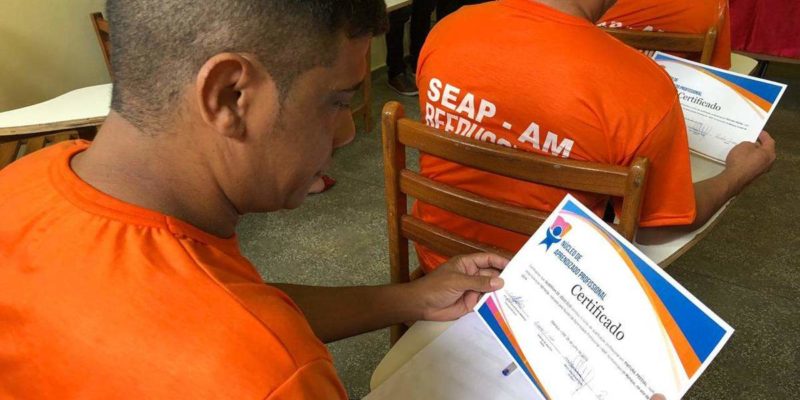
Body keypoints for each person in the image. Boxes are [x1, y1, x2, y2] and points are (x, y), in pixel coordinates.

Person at [0, 1, 510, 397]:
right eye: (337, 101)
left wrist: (410, 298)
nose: (347, 133)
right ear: (230, 96)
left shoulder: (25, 181)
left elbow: (217, 306)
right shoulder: (273, 376)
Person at [412, 0, 775, 272]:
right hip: (548, 282)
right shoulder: (643, 85)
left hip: (437, 261)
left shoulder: (448, 29)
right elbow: (660, 227)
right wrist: (738, 173)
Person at [598, 0, 732, 69]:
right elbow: (716, 74)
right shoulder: (712, 5)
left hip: (595, 96)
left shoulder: (590, 5)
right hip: (673, 99)